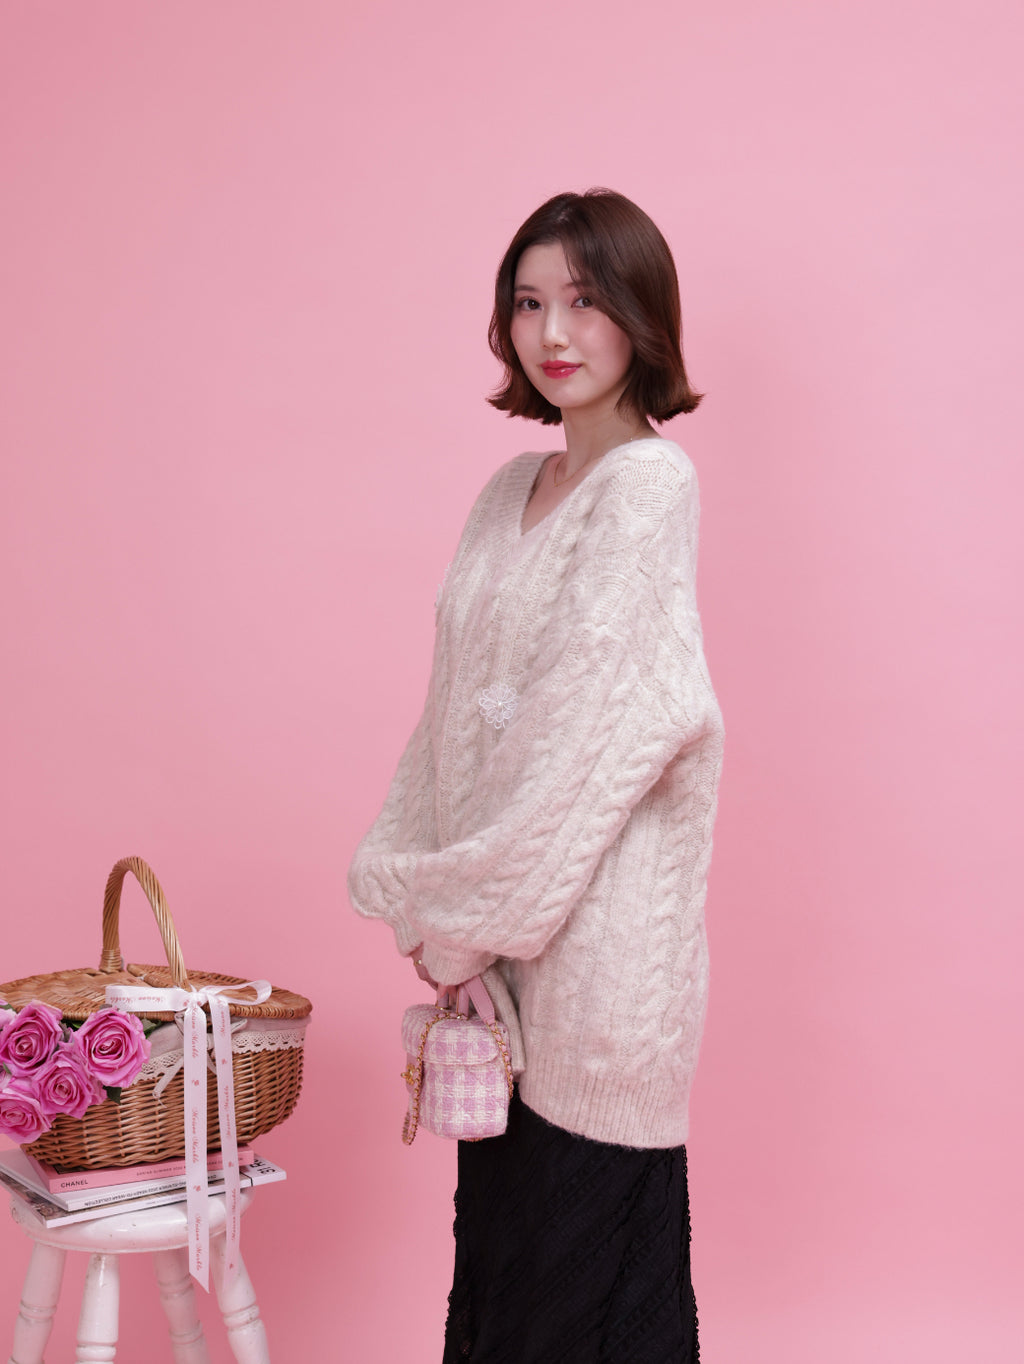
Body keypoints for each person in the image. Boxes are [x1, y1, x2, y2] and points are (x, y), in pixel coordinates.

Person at [348, 188, 724, 1363]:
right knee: (504, 1281)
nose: (552, 333)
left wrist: (455, 922)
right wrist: (421, 894)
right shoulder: (505, 491)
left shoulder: (651, 485)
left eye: (585, 300)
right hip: (497, 965)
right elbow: (449, 717)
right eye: (527, 302)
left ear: (640, 317)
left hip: (598, 967)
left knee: (579, 1300)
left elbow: (583, 743)